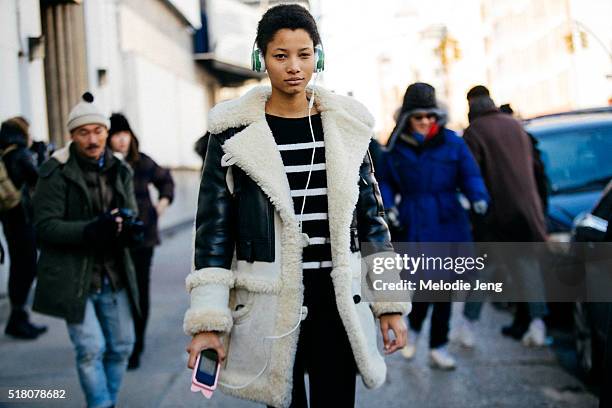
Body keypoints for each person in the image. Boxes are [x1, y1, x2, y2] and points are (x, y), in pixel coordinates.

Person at [184, 5, 409, 408]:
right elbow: (214, 234)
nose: (294, 67)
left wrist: (388, 305)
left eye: (304, 55)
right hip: (270, 303)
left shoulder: (346, 126)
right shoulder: (232, 134)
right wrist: (208, 323)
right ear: (261, 58)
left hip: (337, 300)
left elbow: (371, 221)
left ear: (318, 56)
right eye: (280, 55)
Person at [32, 93, 141, 408]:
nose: (92, 139)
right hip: (73, 275)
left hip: (114, 272)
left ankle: (107, 400)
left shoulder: (120, 168)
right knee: (90, 348)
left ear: (106, 132)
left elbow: (129, 209)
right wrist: (90, 230)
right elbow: (44, 226)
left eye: (98, 131)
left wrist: (131, 228)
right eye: (83, 132)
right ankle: (101, 404)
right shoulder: (54, 171)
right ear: (72, 135)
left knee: (122, 346)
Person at [378, 82, 489, 369]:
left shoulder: (452, 142)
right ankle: (414, 331)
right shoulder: (395, 147)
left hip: (448, 219)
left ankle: (438, 345)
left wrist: (477, 197)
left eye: (430, 115)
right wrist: (388, 205)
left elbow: (470, 174)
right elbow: (385, 181)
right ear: (407, 119)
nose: (426, 122)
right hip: (413, 219)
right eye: (419, 117)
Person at [462, 85, 549, 347]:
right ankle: (538, 324)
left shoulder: (474, 132)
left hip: (496, 213)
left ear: (470, 105)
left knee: (485, 269)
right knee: (528, 267)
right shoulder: (514, 125)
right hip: (527, 210)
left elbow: (471, 175)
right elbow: (536, 168)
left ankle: (467, 325)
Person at [107, 112, 175, 369]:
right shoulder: (105, 164)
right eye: (116, 135)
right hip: (114, 239)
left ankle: (137, 345)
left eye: (125, 135)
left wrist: (163, 203)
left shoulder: (141, 162)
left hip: (143, 238)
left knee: (140, 292)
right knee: (117, 292)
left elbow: (166, 180)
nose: (121, 140)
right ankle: (119, 341)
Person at [0, 117, 46, 339]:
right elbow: (40, 178)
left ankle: (20, 318)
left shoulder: (4, 154)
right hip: (23, 220)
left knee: (20, 268)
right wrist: (42, 154)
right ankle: (17, 319)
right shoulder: (20, 154)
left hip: (10, 221)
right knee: (26, 268)